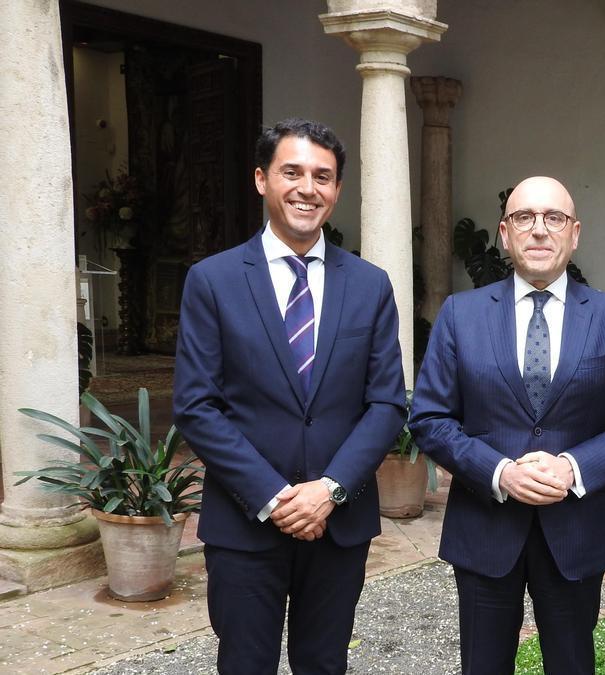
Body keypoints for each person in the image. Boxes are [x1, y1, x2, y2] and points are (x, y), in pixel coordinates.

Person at [174, 118, 407, 674]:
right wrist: (276, 497)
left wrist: (329, 490)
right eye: (292, 172)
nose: (308, 188)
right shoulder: (214, 280)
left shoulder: (370, 284)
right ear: (261, 180)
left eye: (323, 177)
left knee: (324, 664)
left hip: (338, 521)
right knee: (245, 664)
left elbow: (387, 404)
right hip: (245, 521)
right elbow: (197, 406)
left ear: (337, 190)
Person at [410, 176, 605, 674]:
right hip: (485, 529)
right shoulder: (461, 315)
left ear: (575, 233)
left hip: (575, 533)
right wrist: (500, 472)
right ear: (505, 234)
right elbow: (431, 418)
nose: (540, 230)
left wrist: (572, 467)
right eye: (524, 217)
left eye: (554, 218)